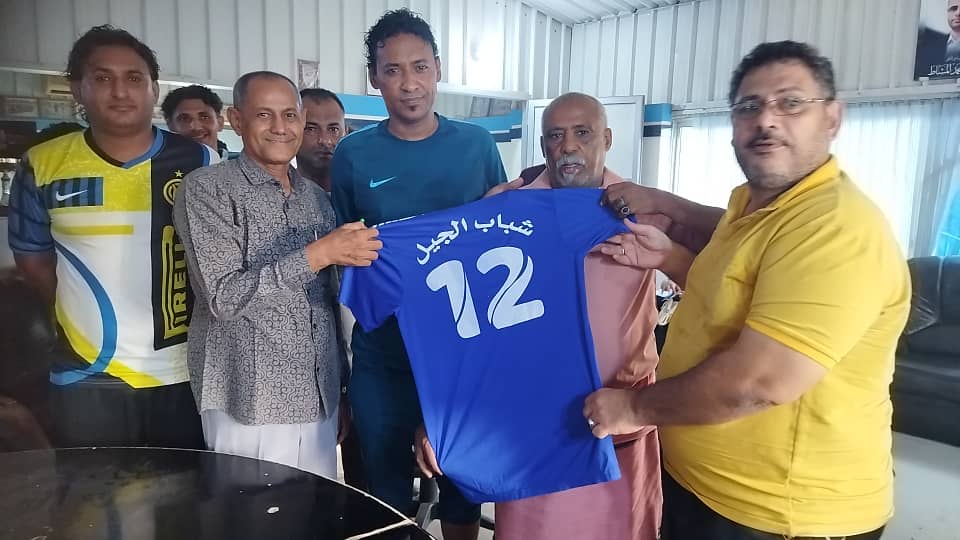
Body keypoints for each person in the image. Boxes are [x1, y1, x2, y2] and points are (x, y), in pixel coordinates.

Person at [583, 41, 909, 540]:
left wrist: (631, 409)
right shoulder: (752, 209)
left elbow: (757, 383)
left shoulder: (836, 226)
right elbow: (727, 294)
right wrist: (668, 247)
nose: (767, 120)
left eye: (791, 103)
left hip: (780, 515)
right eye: (749, 106)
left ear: (832, 118)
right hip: (706, 491)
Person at [418, 92, 663, 539]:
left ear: (607, 139)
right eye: (555, 135)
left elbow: (716, 271)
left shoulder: (644, 211)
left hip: (623, 424)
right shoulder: (505, 213)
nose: (568, 146)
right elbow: (469, 327)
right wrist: (441, 416)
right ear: (543, 145)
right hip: (534, 428)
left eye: (582, 133)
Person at [330, 9, 506, 540]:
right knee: (384, 487)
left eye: (420, 67)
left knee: (461, 486)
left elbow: (499, 231)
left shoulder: (476, 146)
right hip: (384, 354)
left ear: (438, 69)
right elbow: (345, 249)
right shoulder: (353, 155)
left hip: (461, 351)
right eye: (392, 70)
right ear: (374, 78)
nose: (409, 84)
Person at [7, 25, 218, 449]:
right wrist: (79, 312)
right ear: (77, 88)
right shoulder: (43, 164)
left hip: (183, 372)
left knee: (184, 488)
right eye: (102, 77)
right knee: (94, 487)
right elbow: (34, 260)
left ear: (153, 89)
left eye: (134, 78)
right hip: (87, 375)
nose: (120, 91)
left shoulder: (199, 160)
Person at [174, 71, 381, 478]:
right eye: (264, 115)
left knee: (315, 509)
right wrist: (319, 254)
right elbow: (223, 298)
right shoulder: (208, 189)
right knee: (250, 511)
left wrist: (339, 390)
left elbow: (327, 304)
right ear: (236, 120)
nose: (280, 127)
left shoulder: (316, 199)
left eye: (289, 115)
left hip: (318, 397)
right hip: (249, 398)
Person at [161, 84, 230, 158]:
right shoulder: (157, 164)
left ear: (220, 123)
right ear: (170, 125)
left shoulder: (237, 164)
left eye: (204, 117)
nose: (196, 127)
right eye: (184, 119)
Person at [296, 88, 346, 192]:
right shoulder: (273, 192)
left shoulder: (361, 193)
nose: (324, 140)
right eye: (311, 129)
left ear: (345, 132)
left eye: (333, 129)